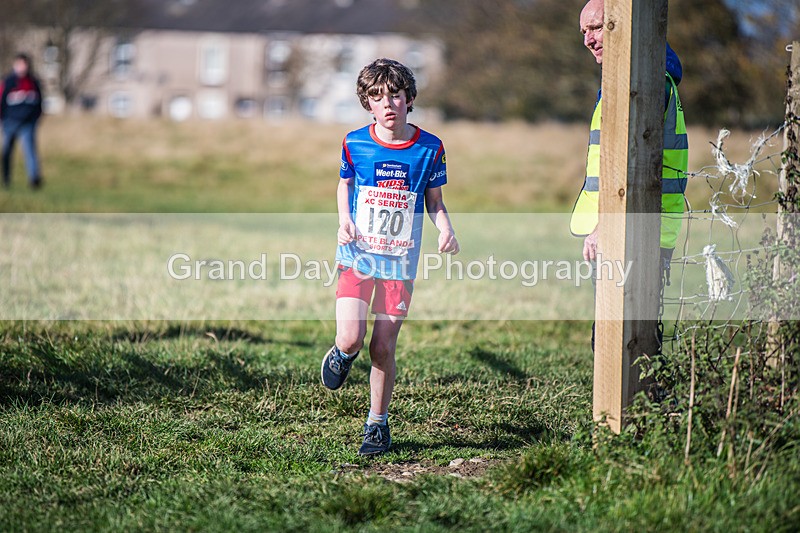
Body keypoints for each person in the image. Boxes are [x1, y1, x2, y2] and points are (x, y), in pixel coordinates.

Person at [320, 58, 459, 456]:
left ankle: (376, 425)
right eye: (378, 97)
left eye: (396, 96)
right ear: (367, 103)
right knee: (352, 337)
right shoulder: (355, 142)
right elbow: (343, 185)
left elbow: (436, 202)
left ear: (409, 99)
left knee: (382, 346)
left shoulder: (430, 148)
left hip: (399, 263)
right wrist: (344, 220)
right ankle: (342, 353)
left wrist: (446, 228)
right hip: (357, 255)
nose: (388, 104)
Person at [569, 0, 689, 351]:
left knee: (620, 337)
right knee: (632, 330)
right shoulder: (638, 76)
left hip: (629, 229)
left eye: (596, 27)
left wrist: (605, 226)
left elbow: (632, 165)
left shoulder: (641, 82)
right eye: (583, 32)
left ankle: (633, 407)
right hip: (640, 226)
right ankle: (644, 404)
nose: (589, 40)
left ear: (623, 23)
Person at [1, 53, 44, 189]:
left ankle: (34, 179)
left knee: (30, 151)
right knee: (7, 151)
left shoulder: (33, 82)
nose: (22, 67)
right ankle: (6, 179)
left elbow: (40, 103)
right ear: (15, 65)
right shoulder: (8, 82)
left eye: (25, 64)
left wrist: (36, 118)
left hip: (28, 123)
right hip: (10, 122)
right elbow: (1, 101)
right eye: (20, 64)